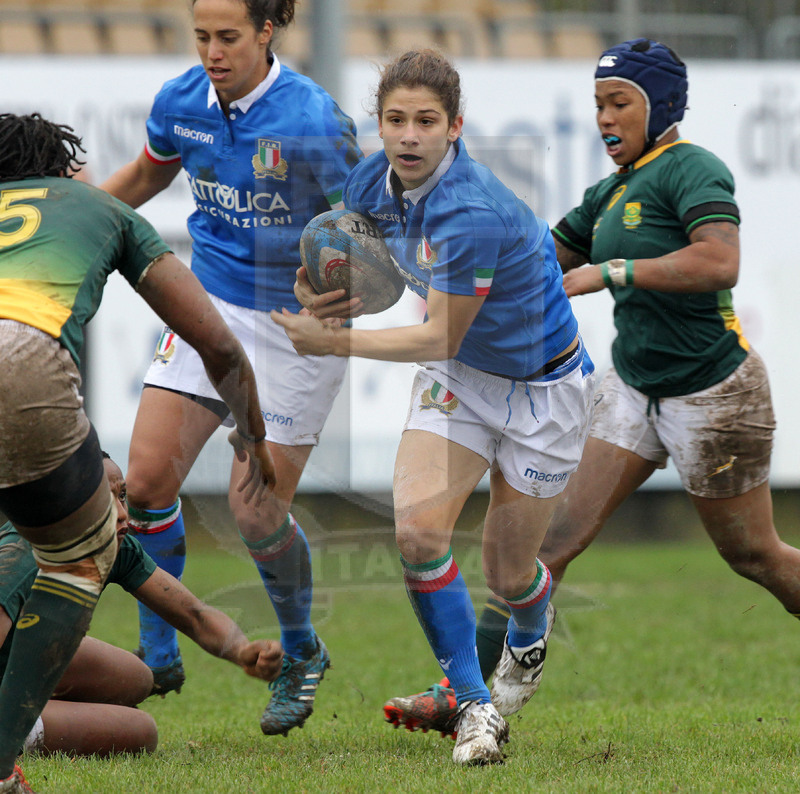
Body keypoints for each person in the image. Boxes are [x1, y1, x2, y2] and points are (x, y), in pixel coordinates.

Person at [383, 37, 800, 738]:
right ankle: (471, 697)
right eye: (598, 104)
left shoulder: (689, 169)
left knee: (753, 554)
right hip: (633, 390)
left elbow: (719, 260)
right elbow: (541, 252)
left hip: (715, 391)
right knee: (543, 549)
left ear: (660, 105)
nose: (605, 118)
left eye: (620, 103)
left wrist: (613, 274)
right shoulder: (608, 191)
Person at [272, 49, 595, 765]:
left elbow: (440, 328)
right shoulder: (368, 181)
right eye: (394, 120)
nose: (409, 135)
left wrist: (334, 343)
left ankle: (530, 628)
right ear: (378, 125)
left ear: (456, 127)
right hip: (461, 380)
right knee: (418, 535)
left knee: (510, 573)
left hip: (545, 391)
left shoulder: (471, 212)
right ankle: (475, 708)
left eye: (425, 121)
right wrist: (315, 291)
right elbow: (340, 261)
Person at [100, 0, 362, 735]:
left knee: (255, 509)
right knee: (145, 483)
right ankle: (160, 656)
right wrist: (68, 213)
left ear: (266, 33)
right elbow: (145, 181)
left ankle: (303, 650)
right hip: (209, 306)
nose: (212, 52)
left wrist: (337, 307)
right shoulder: (181, 102)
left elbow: (367, 233)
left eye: (228, 37)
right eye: (202, 37)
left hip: (295, 324)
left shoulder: (314, 120)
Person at [0, 112, 274, 794]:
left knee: (130, 671)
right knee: (80, 555)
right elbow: (217, 344)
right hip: (21, 359)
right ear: (63, 170)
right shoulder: (101, 208)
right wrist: (252, 433)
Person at [6, 453, 284, 759]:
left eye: (122, 495)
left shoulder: (113, 546)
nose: (123, 513)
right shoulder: (23, 557)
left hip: (23, 649)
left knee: (136, 678)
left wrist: (242, 650)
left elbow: (194, 614)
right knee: (139, 732)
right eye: (103, 500)